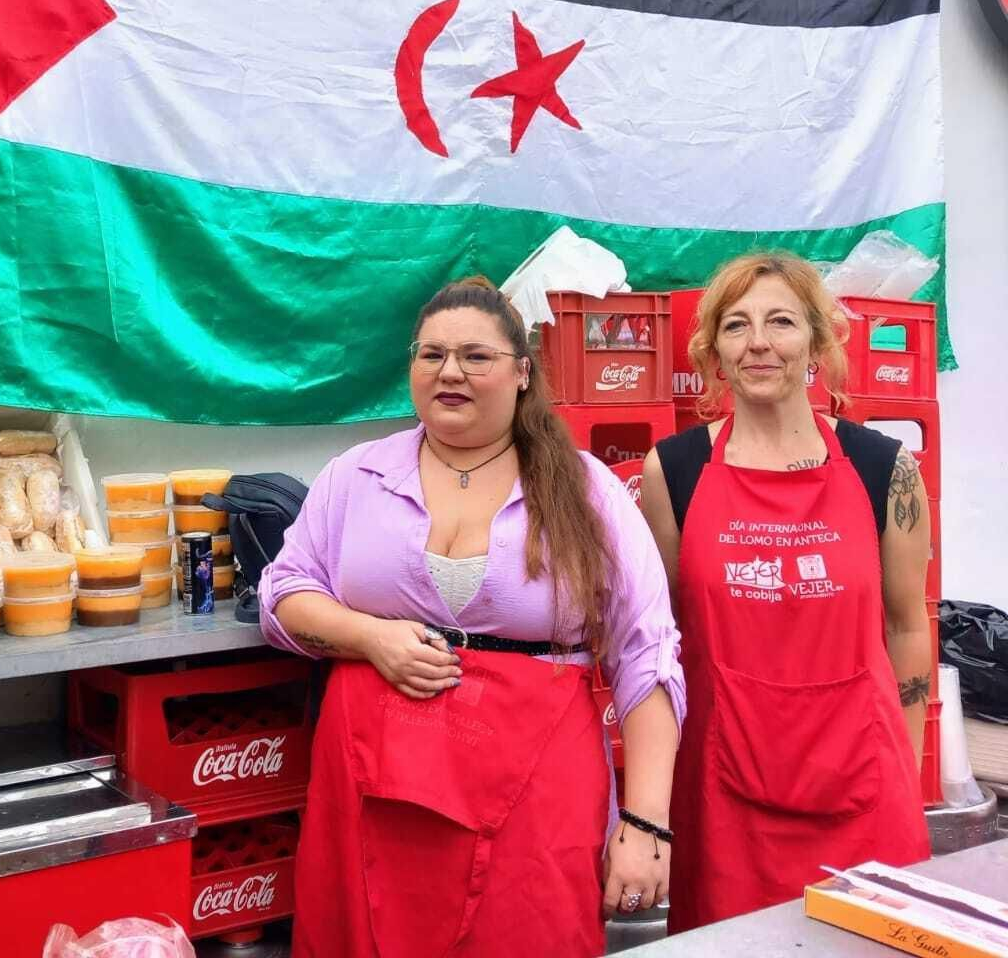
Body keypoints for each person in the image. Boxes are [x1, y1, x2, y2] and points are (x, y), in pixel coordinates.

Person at [260, 276, 685, 958]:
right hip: (372, 791)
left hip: (536, 793)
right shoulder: (356, 475)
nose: (450, 371)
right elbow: (283, 595)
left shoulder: (585, 489)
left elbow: (647, 653)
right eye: (431, 354)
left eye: (475, 356)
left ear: (522, 373)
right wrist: (369, 637)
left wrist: (646, 823)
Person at [639, 252, 932, 932]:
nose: (760, 342)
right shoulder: (674, 472)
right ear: (715, 350)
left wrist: (907, 780)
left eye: (781, 322)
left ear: (818, 342)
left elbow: (909, 627)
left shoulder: (883, 468)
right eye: (737, 325)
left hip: (865, 790)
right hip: (724, 797)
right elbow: (661, 642)